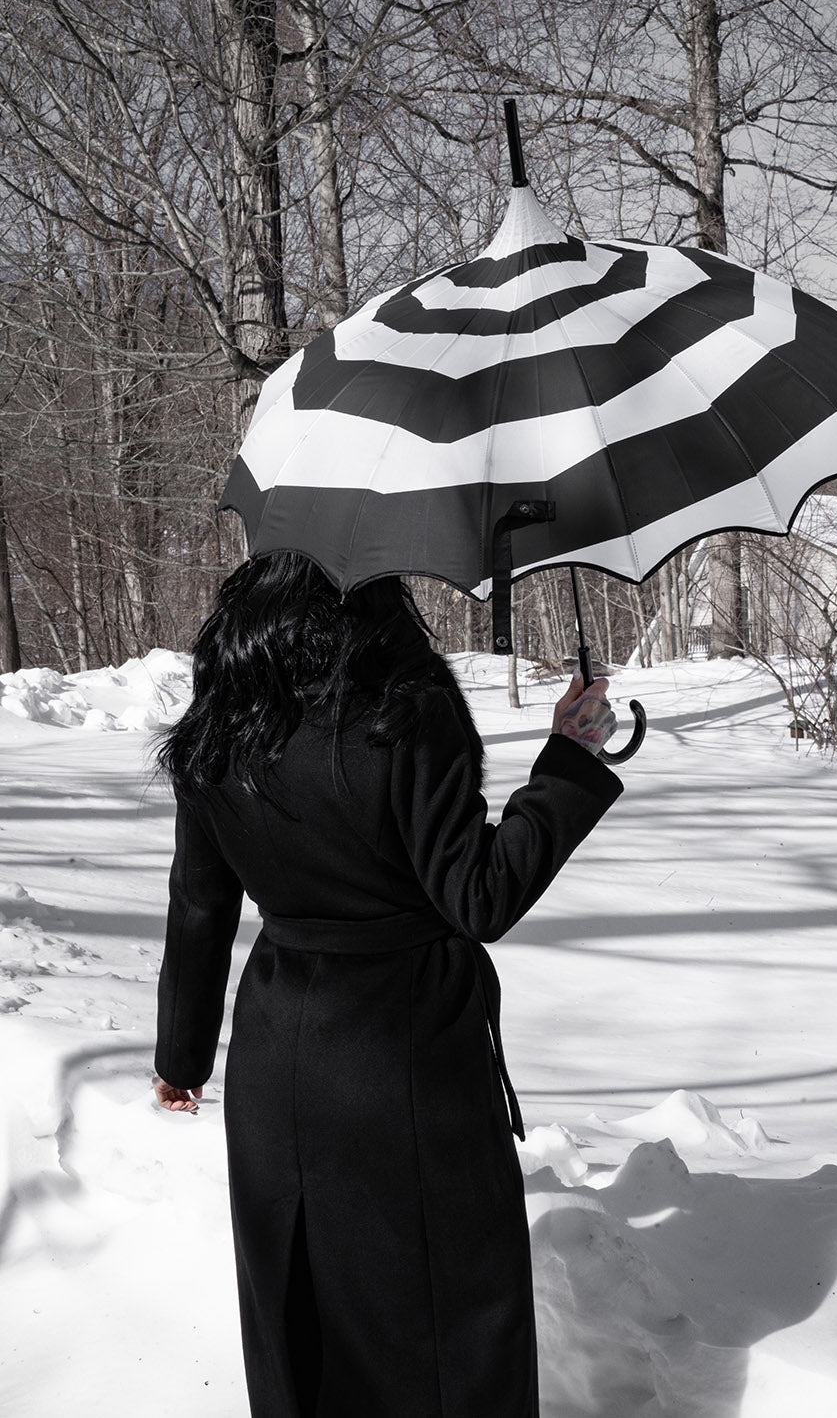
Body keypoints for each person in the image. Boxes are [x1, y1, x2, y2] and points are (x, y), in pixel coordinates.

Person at [153, 551, 623, 1418]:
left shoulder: (218, 728)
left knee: (302, 1313)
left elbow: (197, 906)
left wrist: (180, 1057)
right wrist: (567, 760)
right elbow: (478, 895)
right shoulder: (406, 711)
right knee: (446, 1318)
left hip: (278, 1055)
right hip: (405, 1056)